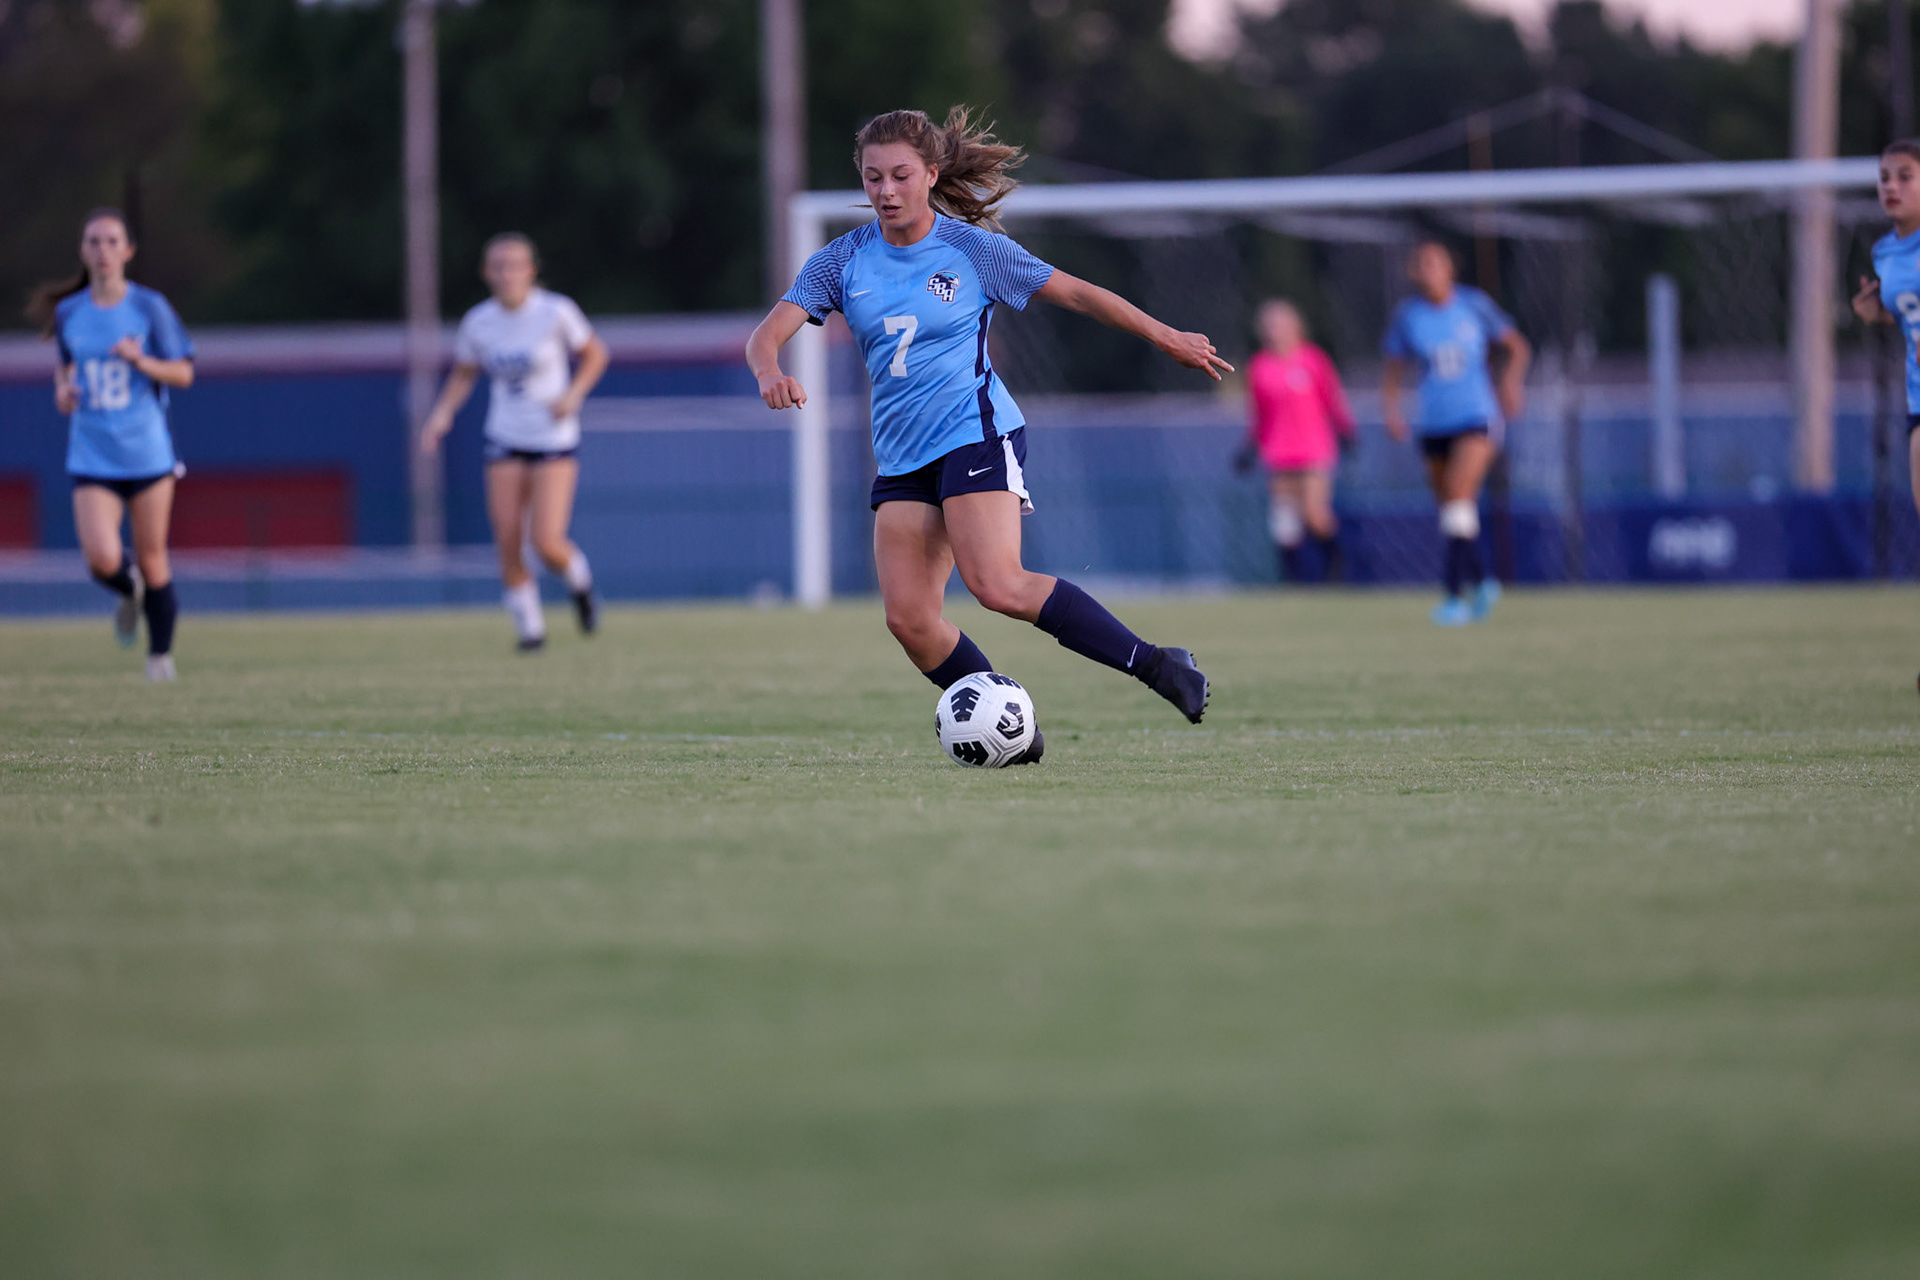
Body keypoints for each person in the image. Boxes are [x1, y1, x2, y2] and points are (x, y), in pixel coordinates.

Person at [745, 107, 1228, 755]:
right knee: (911, 621)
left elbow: (1078, 294)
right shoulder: (841, 260)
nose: (885, 191)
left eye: (900, 176)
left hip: (975, 432)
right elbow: (766, 334)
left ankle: (1157, 663)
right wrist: (770, 369)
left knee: (998, 585)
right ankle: (1012, 731)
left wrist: (1165, 335)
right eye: (873, 177)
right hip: (901, 457)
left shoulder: (973, 249)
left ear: (931, 174)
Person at [27, 208, 194, 681]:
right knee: (101, 558)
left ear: (128, 251)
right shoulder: (70, 312)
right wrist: (63, 392)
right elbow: (65, 368)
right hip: (92, 452)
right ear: (83, 251)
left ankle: (160, 659)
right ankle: (128, 589)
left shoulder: (149, 308)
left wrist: (142, 361)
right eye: (94, 242)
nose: (102, 251)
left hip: (146, 452)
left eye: (111, 242)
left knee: (153, 555)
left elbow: (183, 372)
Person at [423, 233, 610, 651]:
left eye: (515, 265)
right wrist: (442, 412)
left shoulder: (556, 312)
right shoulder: (478, 322)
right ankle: (531, 630)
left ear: (531, 270)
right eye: (498, 266)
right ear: (487, 273)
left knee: (546, 541)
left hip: (552, 437)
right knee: (507, 536)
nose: (507, 274)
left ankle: (580, 581)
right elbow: (465, 372)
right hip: (504, 436)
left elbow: (596, 354)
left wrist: (573, 395)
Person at [1381, 239, 1531, 626]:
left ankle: (1453, 595)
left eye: (1435, 262)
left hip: (1475, 416)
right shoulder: (1409, 316)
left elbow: (1517, 347)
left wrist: (1511, 384)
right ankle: (1481, 580)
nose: (1429, 270)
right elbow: (1395, 370)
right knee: (1452, 509)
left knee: (1461, 496)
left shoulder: (1473, 305)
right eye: (1422, 264)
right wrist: (1393, 411)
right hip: (1433, 421)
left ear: (1450, 268)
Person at [1851, 137, 1920, 695]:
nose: (1890, 187)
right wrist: (1876, 315)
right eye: (1884, 177)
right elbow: (1907, 319)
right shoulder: (1884, 253)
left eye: (1904, 175)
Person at [1234, 299, 1355, 583]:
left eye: (1280, 324)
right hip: (1278, 452)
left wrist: (1346, 432)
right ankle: (1293, 582)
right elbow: (1259, 416)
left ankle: (1336, 572)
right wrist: (1249, 448)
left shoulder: (1313, 361)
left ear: (1295, 326)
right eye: (1269, 326)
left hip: (1313, 450)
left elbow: (1332, 401)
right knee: (1285, 524)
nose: (1274, 331)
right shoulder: (1259, 368)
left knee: (1315, 516)